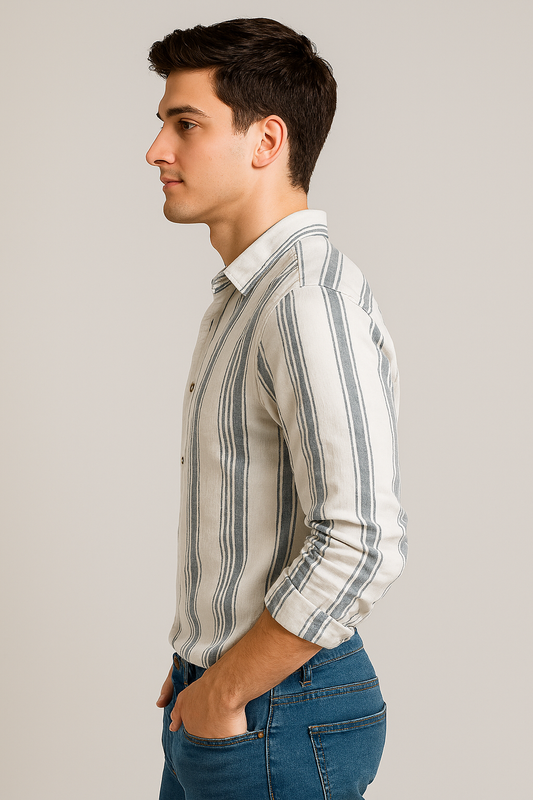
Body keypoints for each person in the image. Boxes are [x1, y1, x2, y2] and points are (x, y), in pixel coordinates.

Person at [145, 18, 407, 800]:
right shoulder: (245, 301)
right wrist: (201, 657)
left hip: (273, 711)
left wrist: (226, 686)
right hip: (237, 699)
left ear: (266, 141)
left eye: (184, 124)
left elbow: (362, 537)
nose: (156, 150)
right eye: (163, 123)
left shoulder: (304, 302)